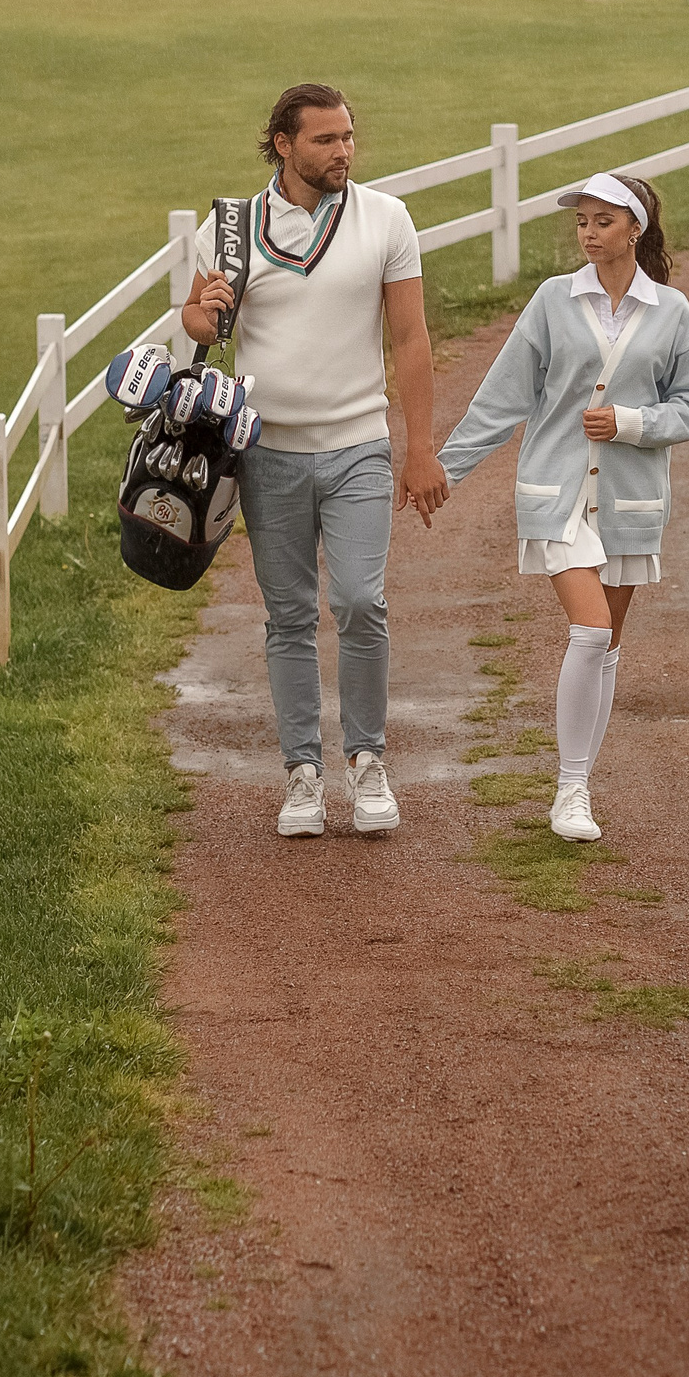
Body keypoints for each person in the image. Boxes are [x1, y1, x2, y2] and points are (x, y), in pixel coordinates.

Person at [181, 83, 449, 838]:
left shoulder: (386, 219)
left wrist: (419, 447)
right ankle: (303, 771)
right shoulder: (230, 228)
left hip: (359, 444)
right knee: (289, 614)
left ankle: (367, 761)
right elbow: (197, 319)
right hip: (267, 453)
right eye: (326, 140)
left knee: (361, 599)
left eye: (349, 137)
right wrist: (203, 309)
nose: (344, 152)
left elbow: (411, 340)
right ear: (283, 145)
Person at [421, 172, 689, 843]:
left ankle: (579, 784)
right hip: (556, 496)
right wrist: (446, 468)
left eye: (601, 221)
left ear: (635, 229)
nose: (587, 232)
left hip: (630, 502)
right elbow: (503, 397)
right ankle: (571, 791)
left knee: (607, 646)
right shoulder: (552, 301)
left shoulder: (672, 311)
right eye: (581, 221)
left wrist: (633, 422)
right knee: (589, 631)